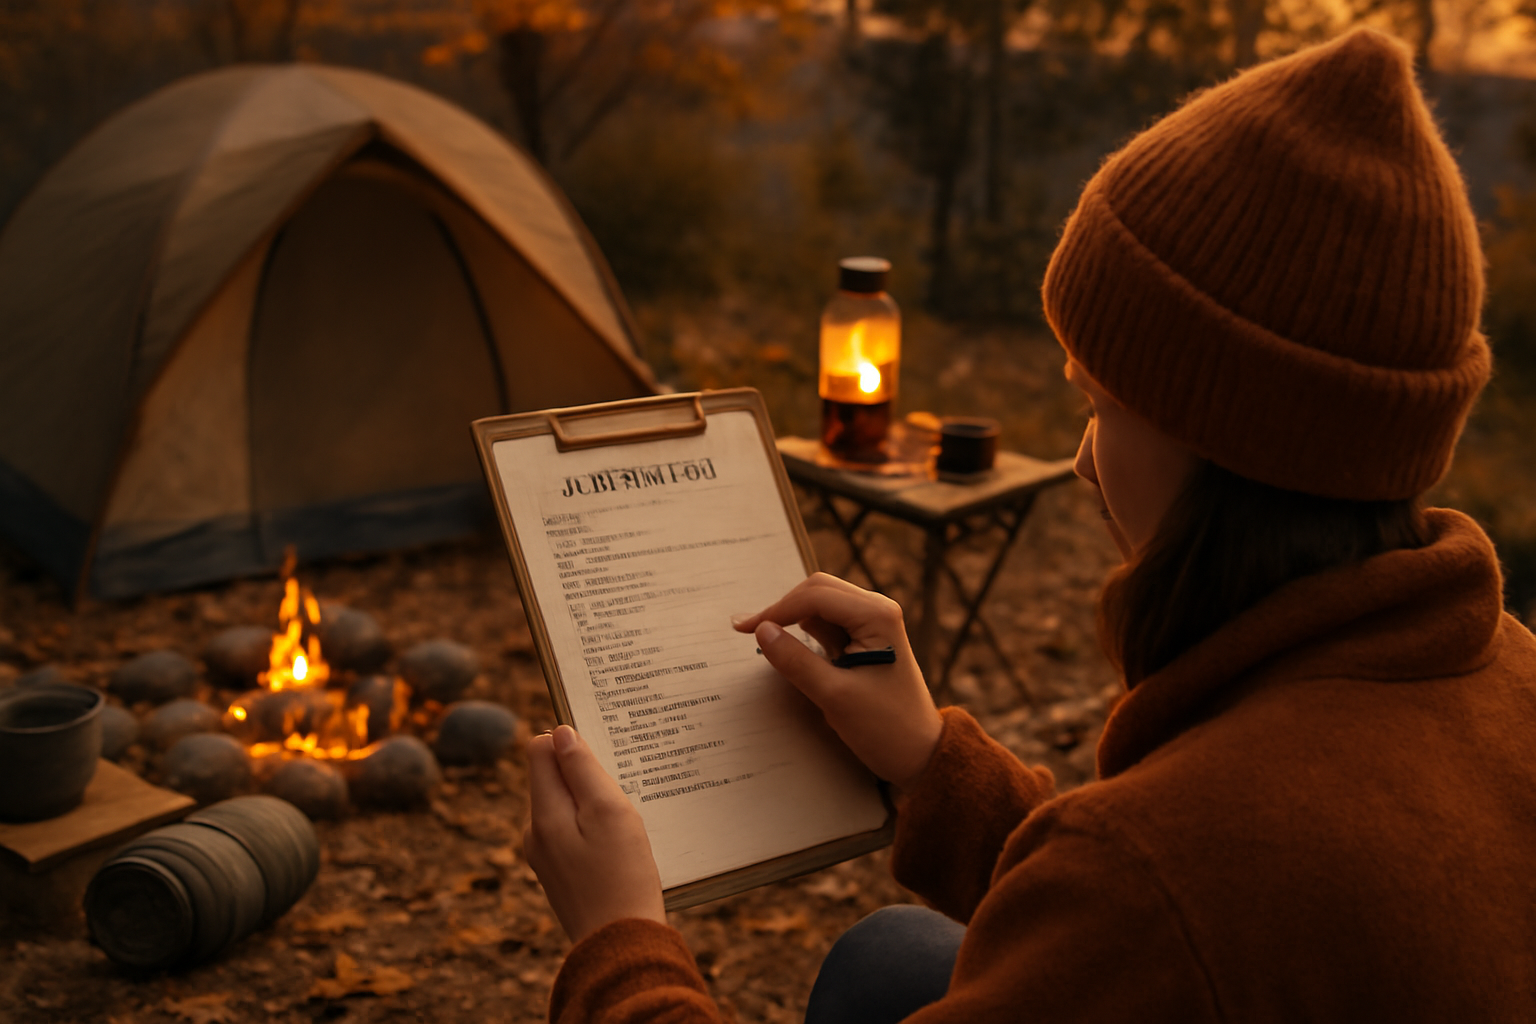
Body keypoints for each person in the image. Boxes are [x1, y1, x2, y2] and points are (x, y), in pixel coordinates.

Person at [521, 26, 1536, 1023]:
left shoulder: (1182, 869)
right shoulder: (1509, 681)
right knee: (890, 958)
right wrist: (929, 760)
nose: (1085, 456)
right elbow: (1146, 924)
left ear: (1219, 436)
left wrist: (618, 939)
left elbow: (1159, 905)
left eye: (1098, 403)